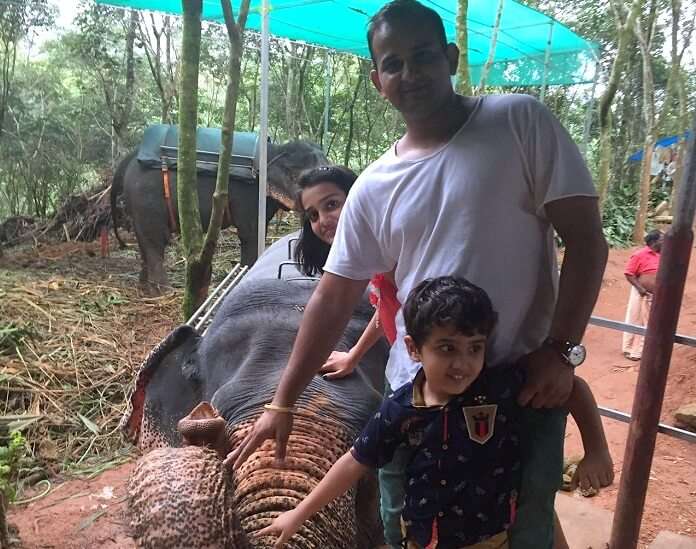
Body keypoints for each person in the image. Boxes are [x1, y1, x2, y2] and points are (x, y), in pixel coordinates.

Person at [227, 2, 609, 548]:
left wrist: (561, 349)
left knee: (524, 531)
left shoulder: (520, 122)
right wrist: (282, 402)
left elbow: (589, 240)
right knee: (407, 529)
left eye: (423, 56)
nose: (410, 73)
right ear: (377, 79)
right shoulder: (374, 188)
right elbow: (332, 300)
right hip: (417, 398)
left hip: (521, 391)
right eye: (393, 63)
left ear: (450, 57)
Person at [258, 277, 613, 549]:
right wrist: (299, 512)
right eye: (446, 348)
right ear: (414, 349)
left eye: (475, 348)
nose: (463, 364)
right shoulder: (401, 409)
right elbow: (355, 461)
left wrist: (597, 451)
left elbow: (573, 388)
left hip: (491, 541)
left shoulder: (500, 387)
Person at [292, 165, 399, 379]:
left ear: (359, 199)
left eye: (331, 205)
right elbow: (389, 304)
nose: (322, 220)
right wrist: (354, 355)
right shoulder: (374, 258)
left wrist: (281, 405)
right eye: (313, 215)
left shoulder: (395, 251)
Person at [622, 230, 663, 361]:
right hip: (640, 291)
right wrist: (640, 289)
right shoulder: (640, 254)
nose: (665, 241)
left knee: (649, 322)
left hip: (653, 295)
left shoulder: (663, 254)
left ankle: (639, 351)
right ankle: (629, 349)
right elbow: (629, 273)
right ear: (654, 242)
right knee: (635, 319)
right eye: (662, 239)